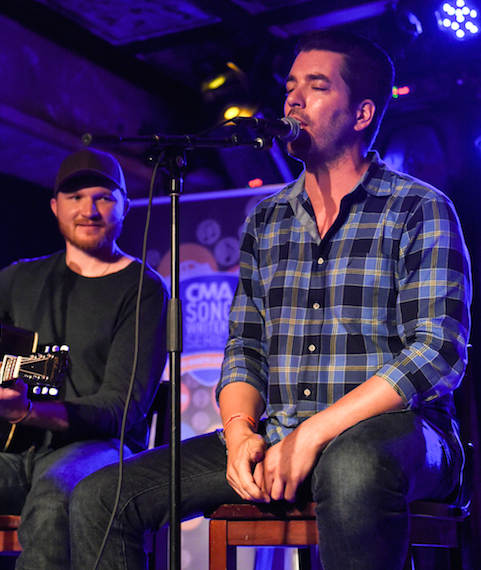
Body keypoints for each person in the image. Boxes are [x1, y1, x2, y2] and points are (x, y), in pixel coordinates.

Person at [68, 29, 472, 570]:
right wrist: (238, 436)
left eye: (316, 86)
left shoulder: (419, 208)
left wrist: (313, 434)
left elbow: (438, 353)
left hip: (407, 435)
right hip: (281, 431)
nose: (293, 100)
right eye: (289, 88)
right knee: (102, 497)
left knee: (351, 469)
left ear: (361, 114)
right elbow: (244, 348)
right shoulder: (268, 218)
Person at [0, 148, 169, 569]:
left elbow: (119, 410)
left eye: (103, 196)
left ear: (125, 205)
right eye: (75, 197)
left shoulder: (143, 289)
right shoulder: (23, 277)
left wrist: (25, 411)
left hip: (96, 451)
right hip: (8, 456)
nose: (89, 209)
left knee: (52, 499)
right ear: (54, 207)